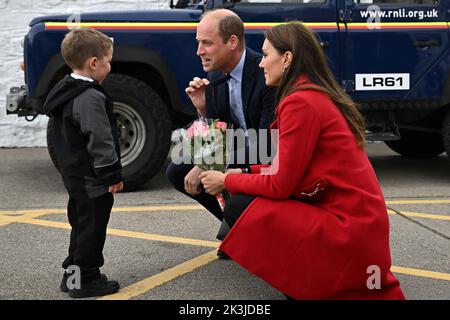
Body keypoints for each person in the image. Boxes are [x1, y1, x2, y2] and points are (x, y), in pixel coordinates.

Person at [199, 22, 405, 299]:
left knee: (240, 206)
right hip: (358, 223)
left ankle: (304, 285)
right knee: (245, 198)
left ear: (287, 59)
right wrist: (246, 170)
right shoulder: (309, 93)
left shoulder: (300, 102)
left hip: (348, 227)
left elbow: (282, 184)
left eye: (266, 55)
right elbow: (288, 163)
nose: (261, 64)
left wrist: (227, 179)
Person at [165, 9, 275, 250]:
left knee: (201, 169)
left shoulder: (265, 71)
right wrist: (203, 110)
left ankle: (252, 232)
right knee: (177, 169)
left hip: (268, 156)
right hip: (238, 150)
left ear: (232, 42)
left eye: (207, 43)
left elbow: (266, 146)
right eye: (198, 43)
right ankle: (237, 229)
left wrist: (207, 164)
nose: (199, 51)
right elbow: (220, 131)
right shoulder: (215, 74)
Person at [43, 28, 123, 298]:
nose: (110, 66)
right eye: (108, 61)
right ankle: (85, 279)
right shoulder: (89, 97)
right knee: (91, 229)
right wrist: (112, 175)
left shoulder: (65, 89)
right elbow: (100, 140)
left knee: (81, 225)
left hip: (74, 175)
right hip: (91, 179)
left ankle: (72, 276)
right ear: (93, 63)